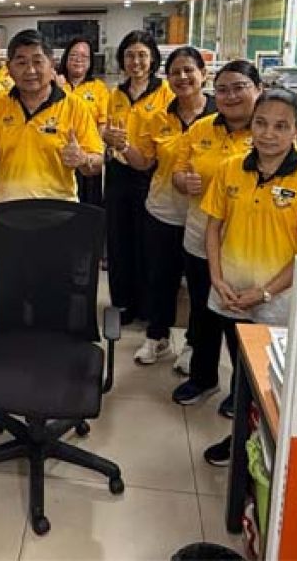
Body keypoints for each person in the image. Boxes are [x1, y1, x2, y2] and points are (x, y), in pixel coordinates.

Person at [198, 89, 297, 466]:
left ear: (296, 130)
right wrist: (217, 278)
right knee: (241, 373)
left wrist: (263, 293)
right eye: (261, 123)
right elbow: (213, 228)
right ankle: (242, 442)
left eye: (280, 126)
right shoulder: (230, 168)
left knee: (272, 379)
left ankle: (269, 448)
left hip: (278, 302)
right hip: (230, 293)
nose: (268, 134)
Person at [171, 60, 262, 412]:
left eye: (240, 87)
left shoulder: (269, 132)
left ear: (258, 90)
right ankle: (202, 377)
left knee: (240, 318)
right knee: (203, 312)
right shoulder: (201, 128)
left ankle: (244, 391)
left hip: (246, 246)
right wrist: (185, 181)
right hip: (199, 238)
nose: (230, 96)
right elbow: (177, 173)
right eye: (222, 90)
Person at [123, 46, 216, 367]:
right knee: (160, 278)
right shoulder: (159, 118)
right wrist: (124, 146)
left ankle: (193, 344)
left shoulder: (219, 118)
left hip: (206, 217)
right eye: (175, 72)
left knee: (200, 285)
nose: (182, 77)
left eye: (189, 70)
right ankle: (157, 336)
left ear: (204, 74)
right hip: (162, 211)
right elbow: (143, 162)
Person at [0, 29, 103, 202]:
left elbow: (97, 161)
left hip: (59, 208)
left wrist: (83, 159)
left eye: (38, 61)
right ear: (9, 69)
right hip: (8, 209)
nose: (30, 70)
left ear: (52, 64)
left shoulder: (74, 106)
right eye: (21, 63)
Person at [102, 30, 175, 325]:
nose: (136, 62)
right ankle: (122, 304)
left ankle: (147, 305)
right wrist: (107, 139)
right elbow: (109, 131)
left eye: (142, 55)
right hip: (118, 174)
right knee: (118, 240)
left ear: (153, 58)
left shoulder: (165, 93)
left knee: (147, 242)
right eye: (130, 55)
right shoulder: (116, 94)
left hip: (150, 174)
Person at [57, 36, 108, 207]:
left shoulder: (98, 88)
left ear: (90, 62)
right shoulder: (55, 84)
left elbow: (102, 123)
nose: (78, 59)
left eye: (84, 56)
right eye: (73, 55)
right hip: (59, 156)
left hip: (88, 158)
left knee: (88, 206)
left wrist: (93, 152)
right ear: (66, 59)